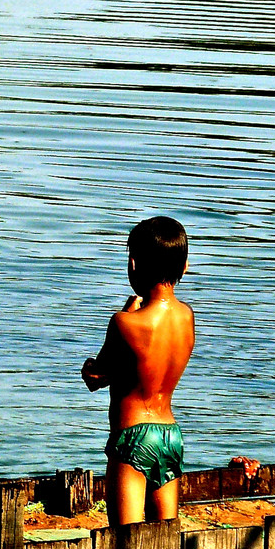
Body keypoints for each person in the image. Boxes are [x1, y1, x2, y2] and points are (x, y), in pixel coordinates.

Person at [82, 217, 196, 525]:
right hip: (170, 435)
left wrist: (125, 312)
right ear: (184, 267)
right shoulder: (187, 317)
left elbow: (96, 377)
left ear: (133, 264)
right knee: (165, 539)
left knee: (125, 540)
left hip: (133, 435)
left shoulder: (124, 323)